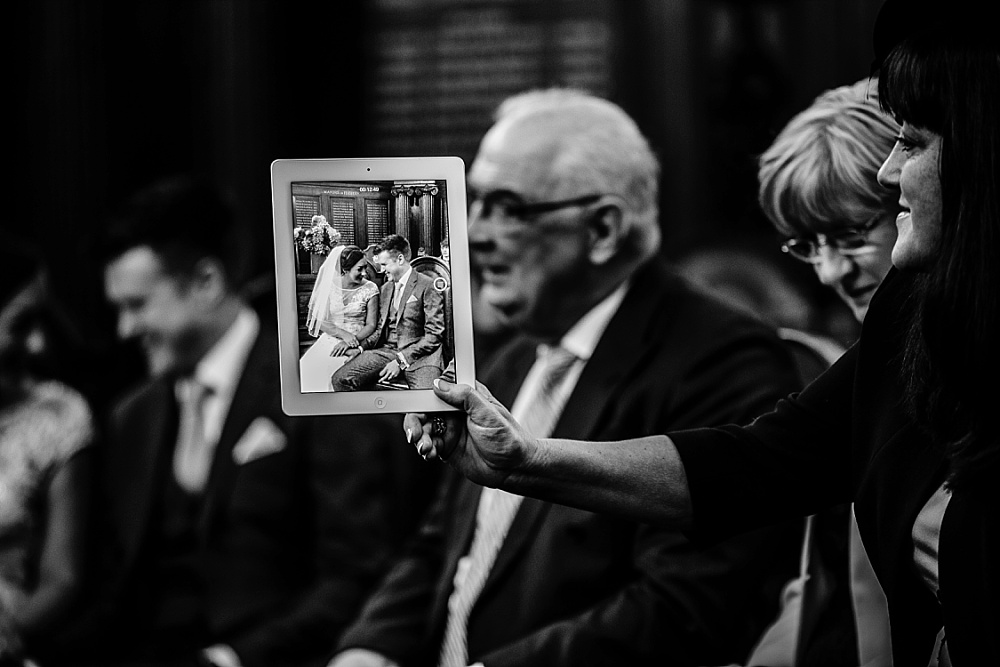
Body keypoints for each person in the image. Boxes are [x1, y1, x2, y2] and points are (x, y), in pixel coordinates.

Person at [406, 4, 999, 665]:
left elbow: (689, 604)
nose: (891, 173)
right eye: (807, 245)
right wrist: (525, 460)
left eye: (914, 142)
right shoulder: (911, 321)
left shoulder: (720, 355)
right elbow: (757, 464)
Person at [331, 89, 804, 667]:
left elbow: (685, 606)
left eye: (507, 207)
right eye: (472, 202)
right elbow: (442, 549)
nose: (474, 233)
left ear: (603, 229)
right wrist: (368, 651)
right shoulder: (507, 359)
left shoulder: (722, 362)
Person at [88, 174, 432, 667]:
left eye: (137, 305)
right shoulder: (131, 417)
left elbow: (356, 574)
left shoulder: (314, 390)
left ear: (206, 282)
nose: (125, 330)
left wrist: (232, 658)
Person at [740, 75, 901, 666]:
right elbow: (825, 588)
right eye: (808, 243)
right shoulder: (845, 372)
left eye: (853, 234)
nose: (832, 272)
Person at [0, 237, 95, 665]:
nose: (38, 344)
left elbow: (63, 579)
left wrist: (10, 634)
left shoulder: (59, 414)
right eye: (21, 324)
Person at [331, 234, 445, 391]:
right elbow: (378, 329)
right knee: (340, 379)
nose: (381, 270)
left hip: (422, 358)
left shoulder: (427, 285)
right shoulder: (385, 289)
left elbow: (434, 335)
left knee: (426, 403)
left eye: (384, 264)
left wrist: (401, 361)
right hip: (386, 352)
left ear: (399, 259)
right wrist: (360, 348)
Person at [299, 244, 380, 392]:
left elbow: (371, 324)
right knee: (308, 367)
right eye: (359, 269)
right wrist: (343, 335)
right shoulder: (329, 286)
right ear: (345, 269)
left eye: (365, 268)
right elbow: (319, 321)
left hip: (358, 339)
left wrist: (351, 341)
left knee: (335, 373)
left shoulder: (370, 289)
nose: (364, 273)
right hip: (332, 338)